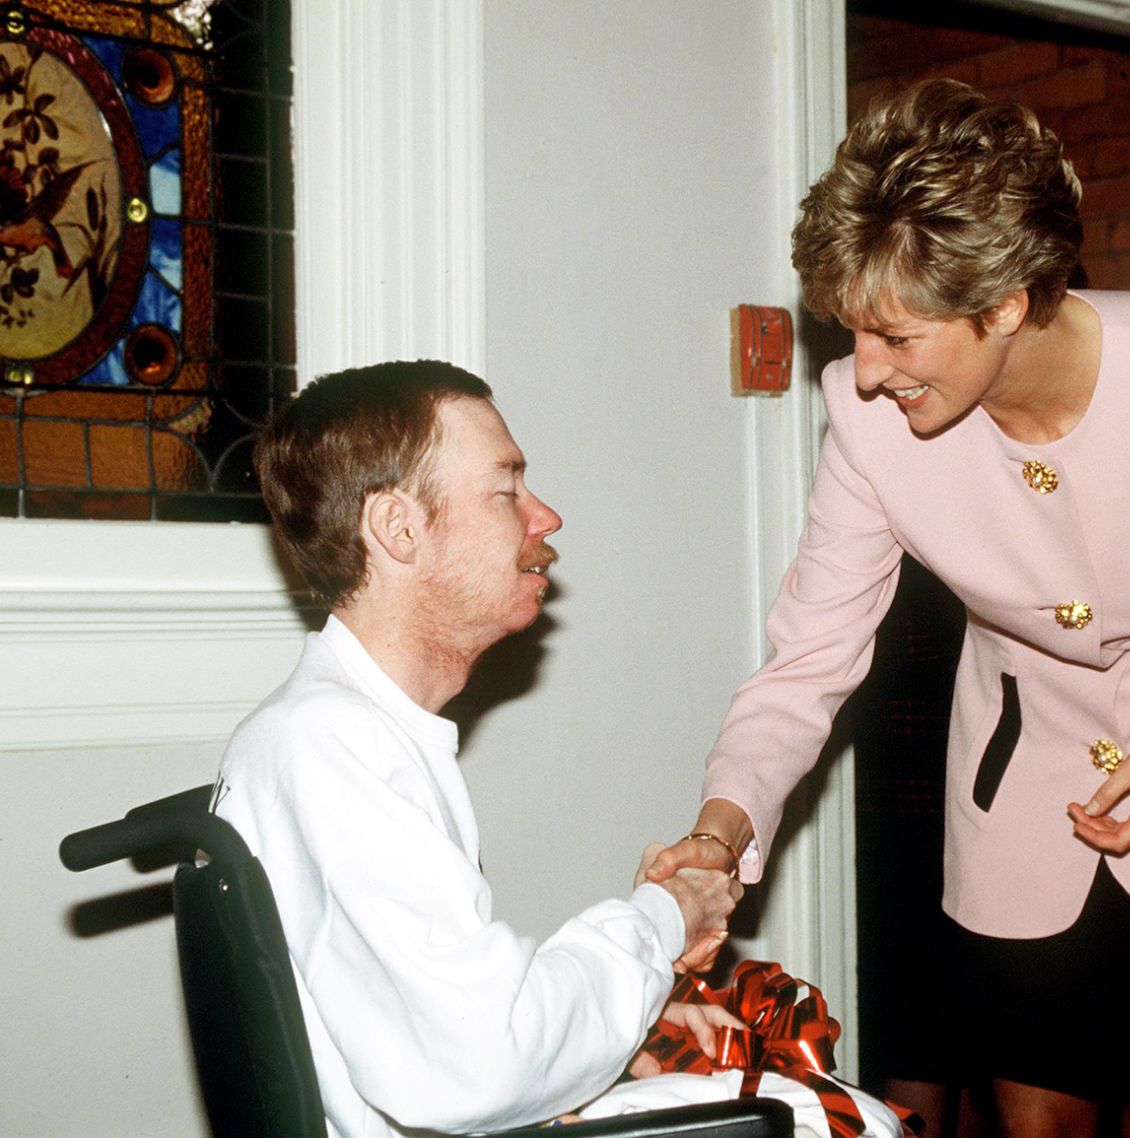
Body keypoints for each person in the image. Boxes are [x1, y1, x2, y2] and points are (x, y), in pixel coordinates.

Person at [648, 80, 1130, 1138]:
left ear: (1007, 303)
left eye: (895, 337)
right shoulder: (864, 415)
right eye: (854, 334)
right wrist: (720, 826)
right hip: (1017, 792)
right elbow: (809, 658)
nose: (866, 371)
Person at [210, 361, 743, 1138]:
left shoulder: (346, 735)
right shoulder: (329, 747)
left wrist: (616, 1032)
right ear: (398, 529)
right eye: (507, 491)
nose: (547, 517)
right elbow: (481, 1065)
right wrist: (665, 915)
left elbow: (443, 1034)